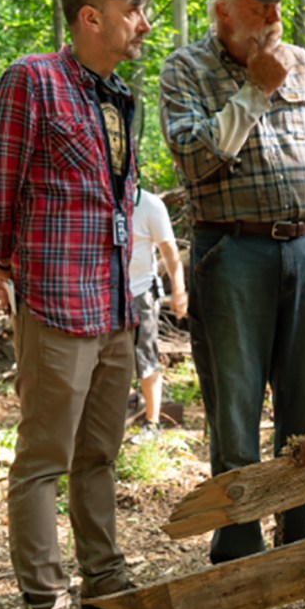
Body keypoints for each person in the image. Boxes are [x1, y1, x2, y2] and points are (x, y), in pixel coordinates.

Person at [0, 0, 152, 609]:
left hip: (113, 300)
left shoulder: (118, 94)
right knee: (44, 459)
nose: (141, 24)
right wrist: (8, 265)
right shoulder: (32, 80)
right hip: (53, 296)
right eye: (132, 9)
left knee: (100, 453)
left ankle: (105, 578)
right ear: (91, 15)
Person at [158, 0, 305, 564]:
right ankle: (239, 547)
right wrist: (253, 91)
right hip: (230, 253)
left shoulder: (303, 66)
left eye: (278, 5)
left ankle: (301, 540)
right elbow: (194, 159)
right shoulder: (185, 70)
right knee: (236, 402)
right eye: (259, 6)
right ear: (223, 12)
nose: (274, 18)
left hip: (304, 251)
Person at [128, 185, 187, 440]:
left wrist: (179, 291)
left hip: (142, 291)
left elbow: (170, 252)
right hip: (106, 292)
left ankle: (152, 423)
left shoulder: (149, 205)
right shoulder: (102, 198)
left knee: (145, 355)